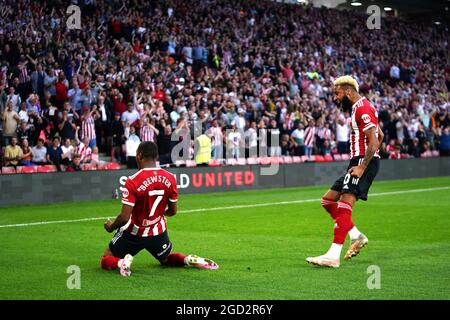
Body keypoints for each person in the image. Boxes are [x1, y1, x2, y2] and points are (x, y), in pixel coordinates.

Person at [100, 141, 219, 277]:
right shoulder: (170, 177)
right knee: (166, 259)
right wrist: (159, 214)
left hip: (134, 233)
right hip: (158, 232)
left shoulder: (132, 181)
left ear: (139, 155)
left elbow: (124, 217)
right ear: (156, 157)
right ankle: (188, 259)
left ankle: (122, 263)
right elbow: (173, 211)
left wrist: (110, 227)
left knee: (106, 258)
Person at [306, 76, 383, 268]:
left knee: (344, 205)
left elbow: (374, 142)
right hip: (359, 161)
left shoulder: (362, 109)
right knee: (328, 200)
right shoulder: (362, 107)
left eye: (337, 93)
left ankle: (333, 255)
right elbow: (379, 135)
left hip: (363, 162)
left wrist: (363, 166)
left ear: (348, 91)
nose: (335, 98)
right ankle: (356, 236)